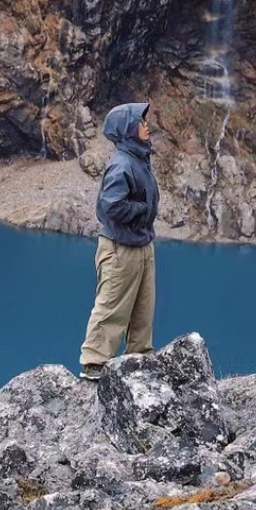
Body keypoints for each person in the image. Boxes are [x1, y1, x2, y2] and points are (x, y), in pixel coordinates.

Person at [80, 102, 159, 379]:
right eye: (142, 121)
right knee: (111, 305)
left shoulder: (138, 158)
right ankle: (95, 363)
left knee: (142, 307)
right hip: (119, 249)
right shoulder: (122, 164)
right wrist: (142, 210)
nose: (147, 125)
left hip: (141, 244)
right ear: (128, 129)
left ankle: (139, 358)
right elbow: (111, 206)